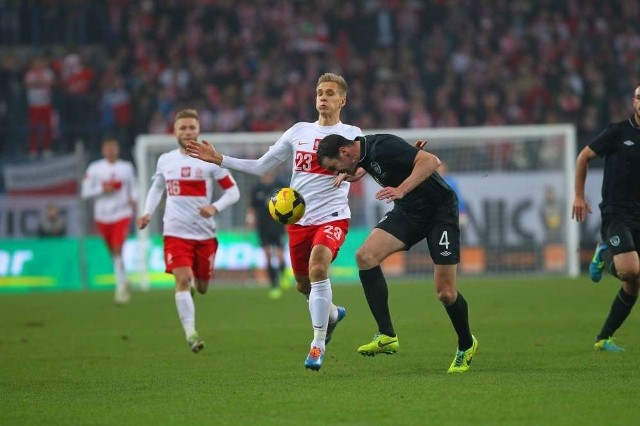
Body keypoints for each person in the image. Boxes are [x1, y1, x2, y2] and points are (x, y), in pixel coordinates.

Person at [184, 73, 362, 371]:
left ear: (342, 100)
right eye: (319, 92)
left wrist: (351, 172)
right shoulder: (298, 132)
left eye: (330, 93)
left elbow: (361, 168)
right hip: (298, 221)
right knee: (304, 285)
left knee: (319, 268)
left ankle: (317, 345)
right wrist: (220, 159)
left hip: (333, 216)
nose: (323, 97)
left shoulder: (352, 132)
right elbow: (261, 166)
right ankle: (331, 315)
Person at [316, 133, 478, 373]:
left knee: (445, 292)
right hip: (408, 213)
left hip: (439, 213)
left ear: (344, 152)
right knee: (365, 256)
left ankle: (466, 344)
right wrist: (351, 174)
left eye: (334, 166)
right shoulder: (361, 154)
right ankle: (386, 335)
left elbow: (431, 161)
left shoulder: (382, 146)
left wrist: (401, 188)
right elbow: (368, 169)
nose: (334, 171)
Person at [137, 109, 240, 353]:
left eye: (191, 127)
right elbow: (157, 189)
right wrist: (148, 212)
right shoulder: (166, 160)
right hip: (175, 232)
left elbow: (233, 191)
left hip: (204, 234)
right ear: (174, 132)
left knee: (202, 287)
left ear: (198, 130)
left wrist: (214, 207)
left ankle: (193, 290)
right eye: (182, 128)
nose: (187, 132)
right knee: (182, 279)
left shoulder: (209, 160)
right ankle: (191, 333)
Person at [571, 83, 640, 352]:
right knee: (631, 270)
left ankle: (603, 338)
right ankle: (604, 253)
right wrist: (579, 196)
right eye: (638, 97)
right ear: (633, 102)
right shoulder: (617, 132)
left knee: (634, 283)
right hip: (617, 212)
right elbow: (583, 157)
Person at [81, 138, 137, 305]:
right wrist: (101, 189)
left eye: (114, 147)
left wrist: (134, 200)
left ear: (118, 149)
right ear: (103, 150)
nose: (111, 151)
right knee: (112, 252)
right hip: (102, 216)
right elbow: (85, 192)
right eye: (108, 148)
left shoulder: (126, 167)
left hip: (122, 213)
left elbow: (134, 187)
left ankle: (120, 288)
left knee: (118, 248)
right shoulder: (95, 168)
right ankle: (124, 277)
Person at [247, 171, 288, 299]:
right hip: (263, 226)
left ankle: (283, 274)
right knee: (268, 255)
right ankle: (274, 285)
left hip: (277, 224)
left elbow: (288, 204)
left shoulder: (279, 185)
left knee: (280, 255)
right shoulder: (257, 188)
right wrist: (250, 219)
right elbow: (252, 207)